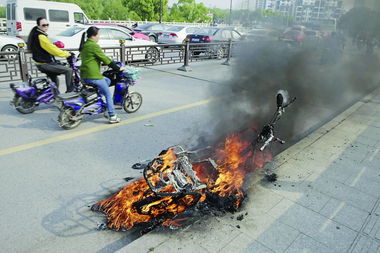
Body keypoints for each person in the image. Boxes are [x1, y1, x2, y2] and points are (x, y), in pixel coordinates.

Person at [79, 26, 122, 124]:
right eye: (98, 35)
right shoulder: (93, 46)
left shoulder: (85, 44)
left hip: (84, 75)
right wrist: (118, 68)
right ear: (94, 36)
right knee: (108, 94)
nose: (99, 37)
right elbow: (105, 59)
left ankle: (99, 101)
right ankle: (112, 115)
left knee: (107, 81)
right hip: (93, 76)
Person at [27, 17, 74, 93]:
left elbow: (50, 47)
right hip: (44, 63)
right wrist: (67, 54)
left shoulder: (37, 34)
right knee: (69, 70)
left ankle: (54, 95)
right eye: (43, 25)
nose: (46, 27)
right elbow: (52, 49)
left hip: (40, 63)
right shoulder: (41, 36)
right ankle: (70, 93)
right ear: (38, 26)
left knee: (54, 79)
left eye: (47, 25)